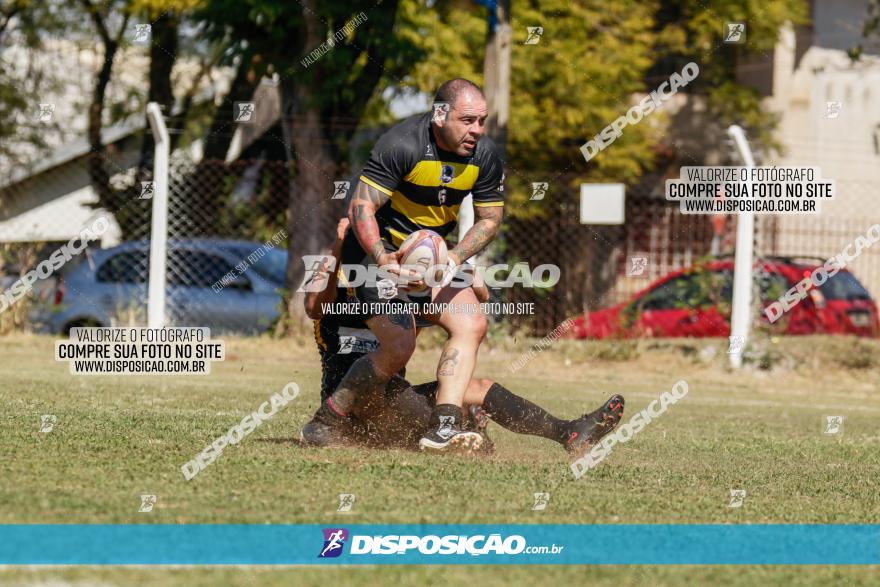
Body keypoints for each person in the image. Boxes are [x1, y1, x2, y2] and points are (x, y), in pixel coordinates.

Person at [302, 78, 507, 452]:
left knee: (473, 322)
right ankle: (327, 420)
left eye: (482, 120)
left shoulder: (485, 156)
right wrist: (383, 257)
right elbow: (362, 207)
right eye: (468, 120)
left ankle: (444, 425)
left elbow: (490, 219)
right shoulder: (402, 144)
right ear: (440, 114)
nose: (477, 130)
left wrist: (456, 258)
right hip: (372, 255)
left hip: (431, 257)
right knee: (399, 343)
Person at [302, 219, 626, 454]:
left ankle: (568, 432)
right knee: (450, 417)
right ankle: (464, 431)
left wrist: (461, 273)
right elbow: (314, 307)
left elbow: (476, 301)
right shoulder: (342, 281)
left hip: (393, 397)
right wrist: (338, 247)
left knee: (477, 387)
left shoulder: (397, 288)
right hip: (351, 402)